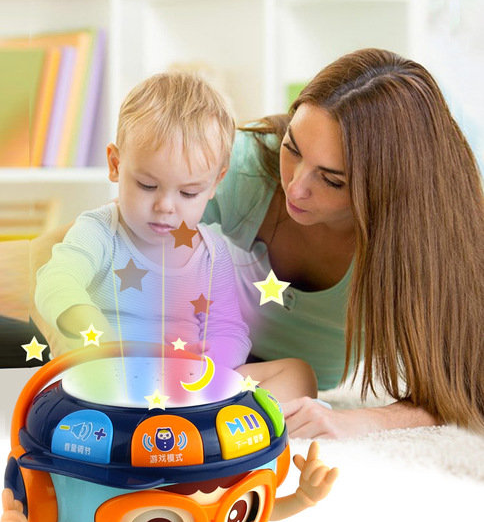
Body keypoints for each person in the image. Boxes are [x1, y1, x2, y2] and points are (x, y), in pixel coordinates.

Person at [30, 50, 484, 438]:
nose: (296, 188)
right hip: (128, 355)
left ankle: (204, 420)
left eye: (331, 180)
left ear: (385, 190)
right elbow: (68, 253)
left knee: (296, 376)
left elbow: (460, 388)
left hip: (225, 368)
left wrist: (354, 421)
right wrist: (85, 344)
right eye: (293, 148)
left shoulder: (429, 239)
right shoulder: (242, 167)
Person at [34, 72, 316, 397]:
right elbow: (56, 282)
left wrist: (209, 367)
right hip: (108, 376)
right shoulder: (98, 231)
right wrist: (97, 336)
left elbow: (229, 330)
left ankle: (208, 412)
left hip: (184, 383)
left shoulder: (212, 253)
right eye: (147, 185)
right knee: (61, 387)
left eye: (188, 193)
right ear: (115, 164)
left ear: (216, 182)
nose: (165, 206)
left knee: (298, 375)